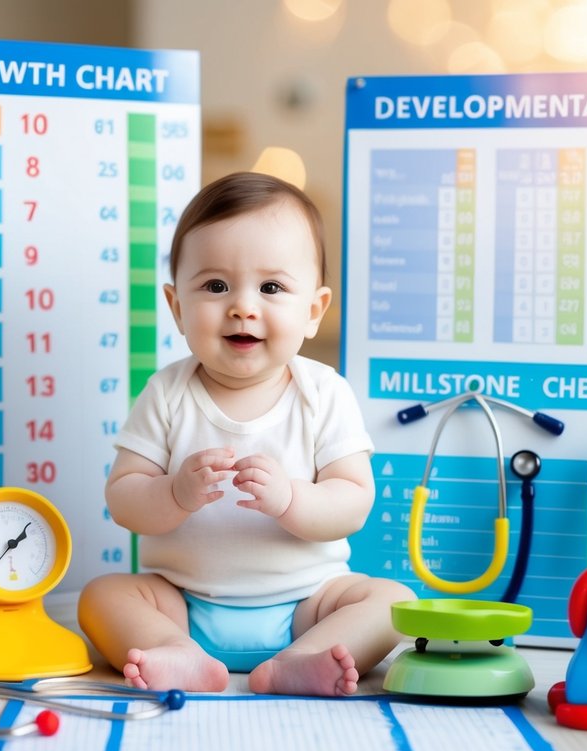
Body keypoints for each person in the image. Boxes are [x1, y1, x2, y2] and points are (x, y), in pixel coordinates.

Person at [77, 172, 414, 697]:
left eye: (272, 287)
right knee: (102, 595)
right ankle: (178, 655)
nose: (243, 306)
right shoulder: (167, 392)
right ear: (176, 306)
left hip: (308, 604)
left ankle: (303, 660)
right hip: (181, 603)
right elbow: (123, 499)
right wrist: (172, 493)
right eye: (215, 286)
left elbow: (352, 502)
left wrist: (291, 499)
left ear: (313, 311)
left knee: (393, 601)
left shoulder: (323, 393)